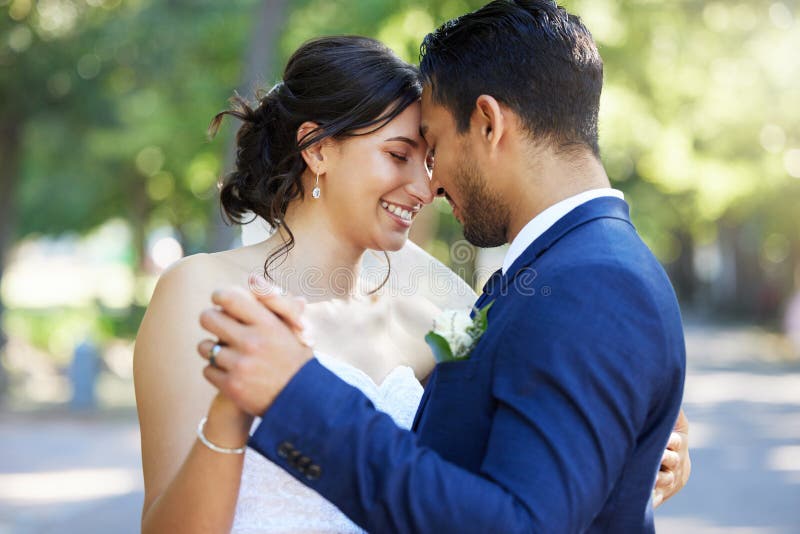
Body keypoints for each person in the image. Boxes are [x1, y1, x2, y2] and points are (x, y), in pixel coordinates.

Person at [198, 1, 688, 533]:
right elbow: (478, 385)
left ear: (488, 123)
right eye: (403, 154)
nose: (429, 185)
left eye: (432, 146)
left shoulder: (592, 283)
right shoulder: (548, 273)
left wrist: (299, 393)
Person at [134, 36, 476, 533]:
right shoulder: (200, 291)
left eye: (426, 163)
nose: (425, 190)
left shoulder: (423, 325)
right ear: (317, 149)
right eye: (399, 155)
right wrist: (234, 406)